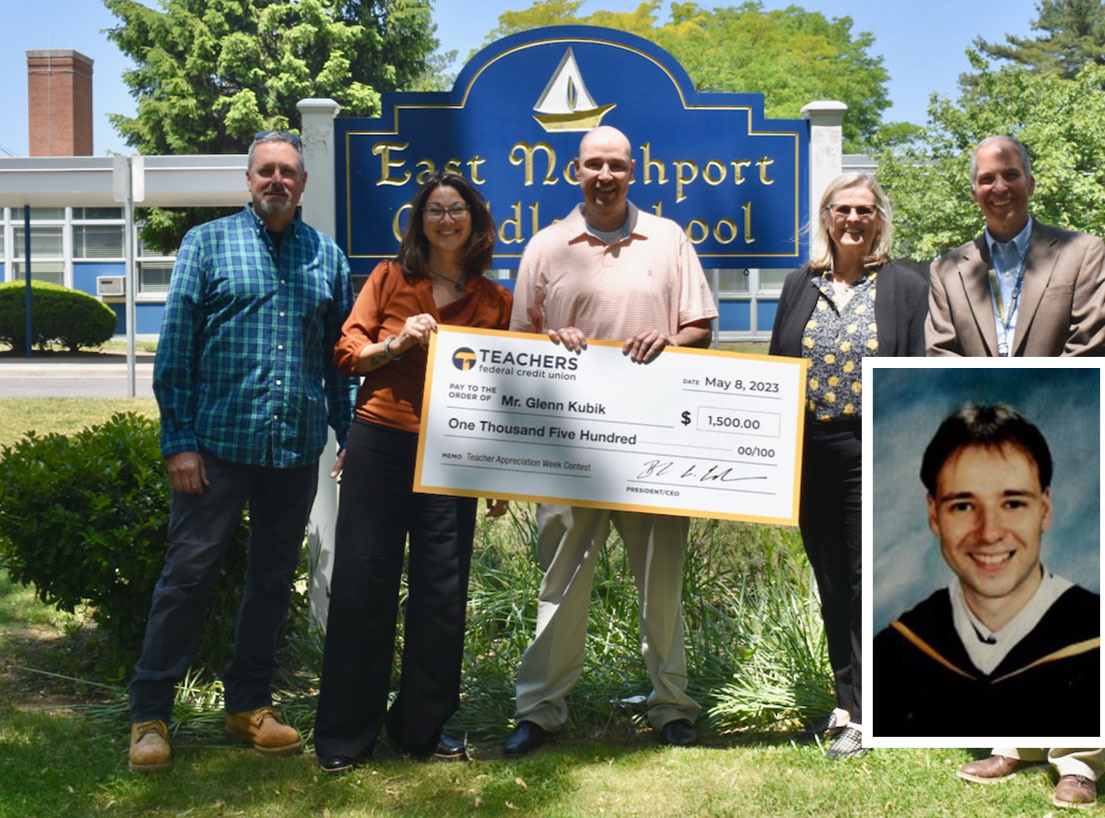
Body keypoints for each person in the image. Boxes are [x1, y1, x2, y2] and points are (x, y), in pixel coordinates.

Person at [128, 131, 353, 772]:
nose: (277, 181)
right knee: (187, 578)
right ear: (248, 180)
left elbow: (337, 361)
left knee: (273, 581)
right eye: (266, 172)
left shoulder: (326, 258)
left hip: (293, 449)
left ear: (303, 184)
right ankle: (151, 714)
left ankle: (248, 704)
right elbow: (175, 352)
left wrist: (348, 433)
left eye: (288, 172)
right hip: (216, 449)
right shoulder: (206, 245)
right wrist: (179, 443)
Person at [500, 125, 717, 756]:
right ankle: (539, 710)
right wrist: (552, 339)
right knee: (560, 582)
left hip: (654, 445)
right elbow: (521, 340)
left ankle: (672, 706)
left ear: (632, 172)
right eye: (593, 164)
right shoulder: (545, 247)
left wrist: (669, 342)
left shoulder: (669, 240)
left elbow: (700, 327)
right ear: (576, 171)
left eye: (616, 166)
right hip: (569, 450)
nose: (605, 175)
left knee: (662, 580)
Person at [313, 173, 512, 773]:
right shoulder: (388, 278)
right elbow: (349, 354)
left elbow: (504, 392)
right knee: (362, 584)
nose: (446, 219)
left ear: (475, 223)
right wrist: (398, 342)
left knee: (442, 593)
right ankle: (347, 734)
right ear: (419, 220)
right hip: (381, 443)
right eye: (435, 210)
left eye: (457, 210)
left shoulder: (495, 301)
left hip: (455, 455)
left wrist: (498, 473)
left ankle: (422, 728)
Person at [768, 172, 928, 758]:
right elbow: (777, 366)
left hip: (873, 447)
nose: (854, 220)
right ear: (826, 218)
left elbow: (919, 371)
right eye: (843, 210)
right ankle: (846, 700)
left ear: (880, 218)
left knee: (867, 579)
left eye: (865, 210)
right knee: (832, 579)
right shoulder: (799, 283)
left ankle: (868, 708)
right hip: (811, 450)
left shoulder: (906, 287)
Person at [873, 403, 1103, 808]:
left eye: (1012, 503)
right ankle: (1014, 746)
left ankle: (1077, 763)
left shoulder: (1084, 621)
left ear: (1044, 508)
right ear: (934, 514)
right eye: (963, 505)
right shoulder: (906, 638)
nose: (989, 532)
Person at [926, 135, 1105, 357]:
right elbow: (940, 352)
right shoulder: (946, 270)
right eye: (987, 179)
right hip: (975, 392)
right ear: (974, 193)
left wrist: (1024, 391)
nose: (999, 187)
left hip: (1060, 391)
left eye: (1011, 175)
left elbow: (1089, 345)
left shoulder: (1082, 253)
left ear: (1031, 184)